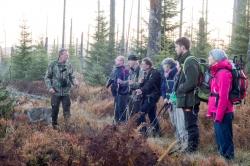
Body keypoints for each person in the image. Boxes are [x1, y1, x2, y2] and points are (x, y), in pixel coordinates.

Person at [174, 37, 200, 153]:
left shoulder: (190, 61)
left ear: (182, 47)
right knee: (188, 124)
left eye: (176, 46)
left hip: (191, 100)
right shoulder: (184, 61)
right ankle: (189, 147)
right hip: (186, 100)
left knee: (191, 125)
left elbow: (192, 82)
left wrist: (180, 88)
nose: (175, 49)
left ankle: (192, 150)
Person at [207, 49, 234, 160]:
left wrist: (218, 115)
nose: (208, 58)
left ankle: (228, 160)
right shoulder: (217, 72)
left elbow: (223, 97)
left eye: (210, 56)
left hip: (223, 111)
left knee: (225, 138)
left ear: (215, 58)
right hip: (217, 110)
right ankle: (222, 159)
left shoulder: (223, 73)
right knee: (220, 138)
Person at [45, 48, 78, 129]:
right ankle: (54, 127)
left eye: (68, 55)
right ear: (60, 55)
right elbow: (47, 77)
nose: (67, 57)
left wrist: (75, 82)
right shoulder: (53, 64)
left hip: (66, 92)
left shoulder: (69, 65)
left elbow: (72, 76)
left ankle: (67, 127)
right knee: (55, 110)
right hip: (55, 92)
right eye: (66, 55)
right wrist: (50, 87)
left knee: (67, 110)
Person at [135, 57, 161, 137]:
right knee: (152, 115)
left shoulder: (155, 73)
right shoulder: (147, 73)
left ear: (148, 65)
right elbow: (145, 85)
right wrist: (141, 83)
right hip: (147, 97)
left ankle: (143, 133)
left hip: (151, 97)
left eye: (143, 64)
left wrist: (141, 90)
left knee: (141, 113)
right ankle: (157, 132)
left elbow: (149, 84)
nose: (141, 65)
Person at [107, 55, 129, 123]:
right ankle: (116, 125)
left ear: (121, 61)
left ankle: (122, 126)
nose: (115, 60)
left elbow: (127, 82)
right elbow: (112, 78)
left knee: (121, 110)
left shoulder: (125, 70)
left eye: (117, 59)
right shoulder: (115, 69)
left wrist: (121, 85)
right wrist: (108, 85)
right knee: (116, 110)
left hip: (122, 93)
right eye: (116, 59)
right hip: (116, 93)